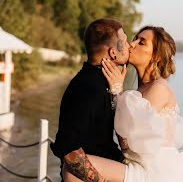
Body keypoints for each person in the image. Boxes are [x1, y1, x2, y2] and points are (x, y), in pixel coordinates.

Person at [63, 25, 183, 182]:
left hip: (153, 172)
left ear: (156, 56)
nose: (132, 44)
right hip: (135, 165)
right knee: (73, 166)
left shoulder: (159, 88)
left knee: (71, 169)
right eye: (135, 38)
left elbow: (127, 143)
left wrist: (117, 92)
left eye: (141, 42)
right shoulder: (139, 90)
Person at [51, 18, 131, 181]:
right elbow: (67, 146)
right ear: (113, 52)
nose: (129, 46)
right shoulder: (88, 87)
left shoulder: (100, 81)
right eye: (125, 41)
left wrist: (117, 93)